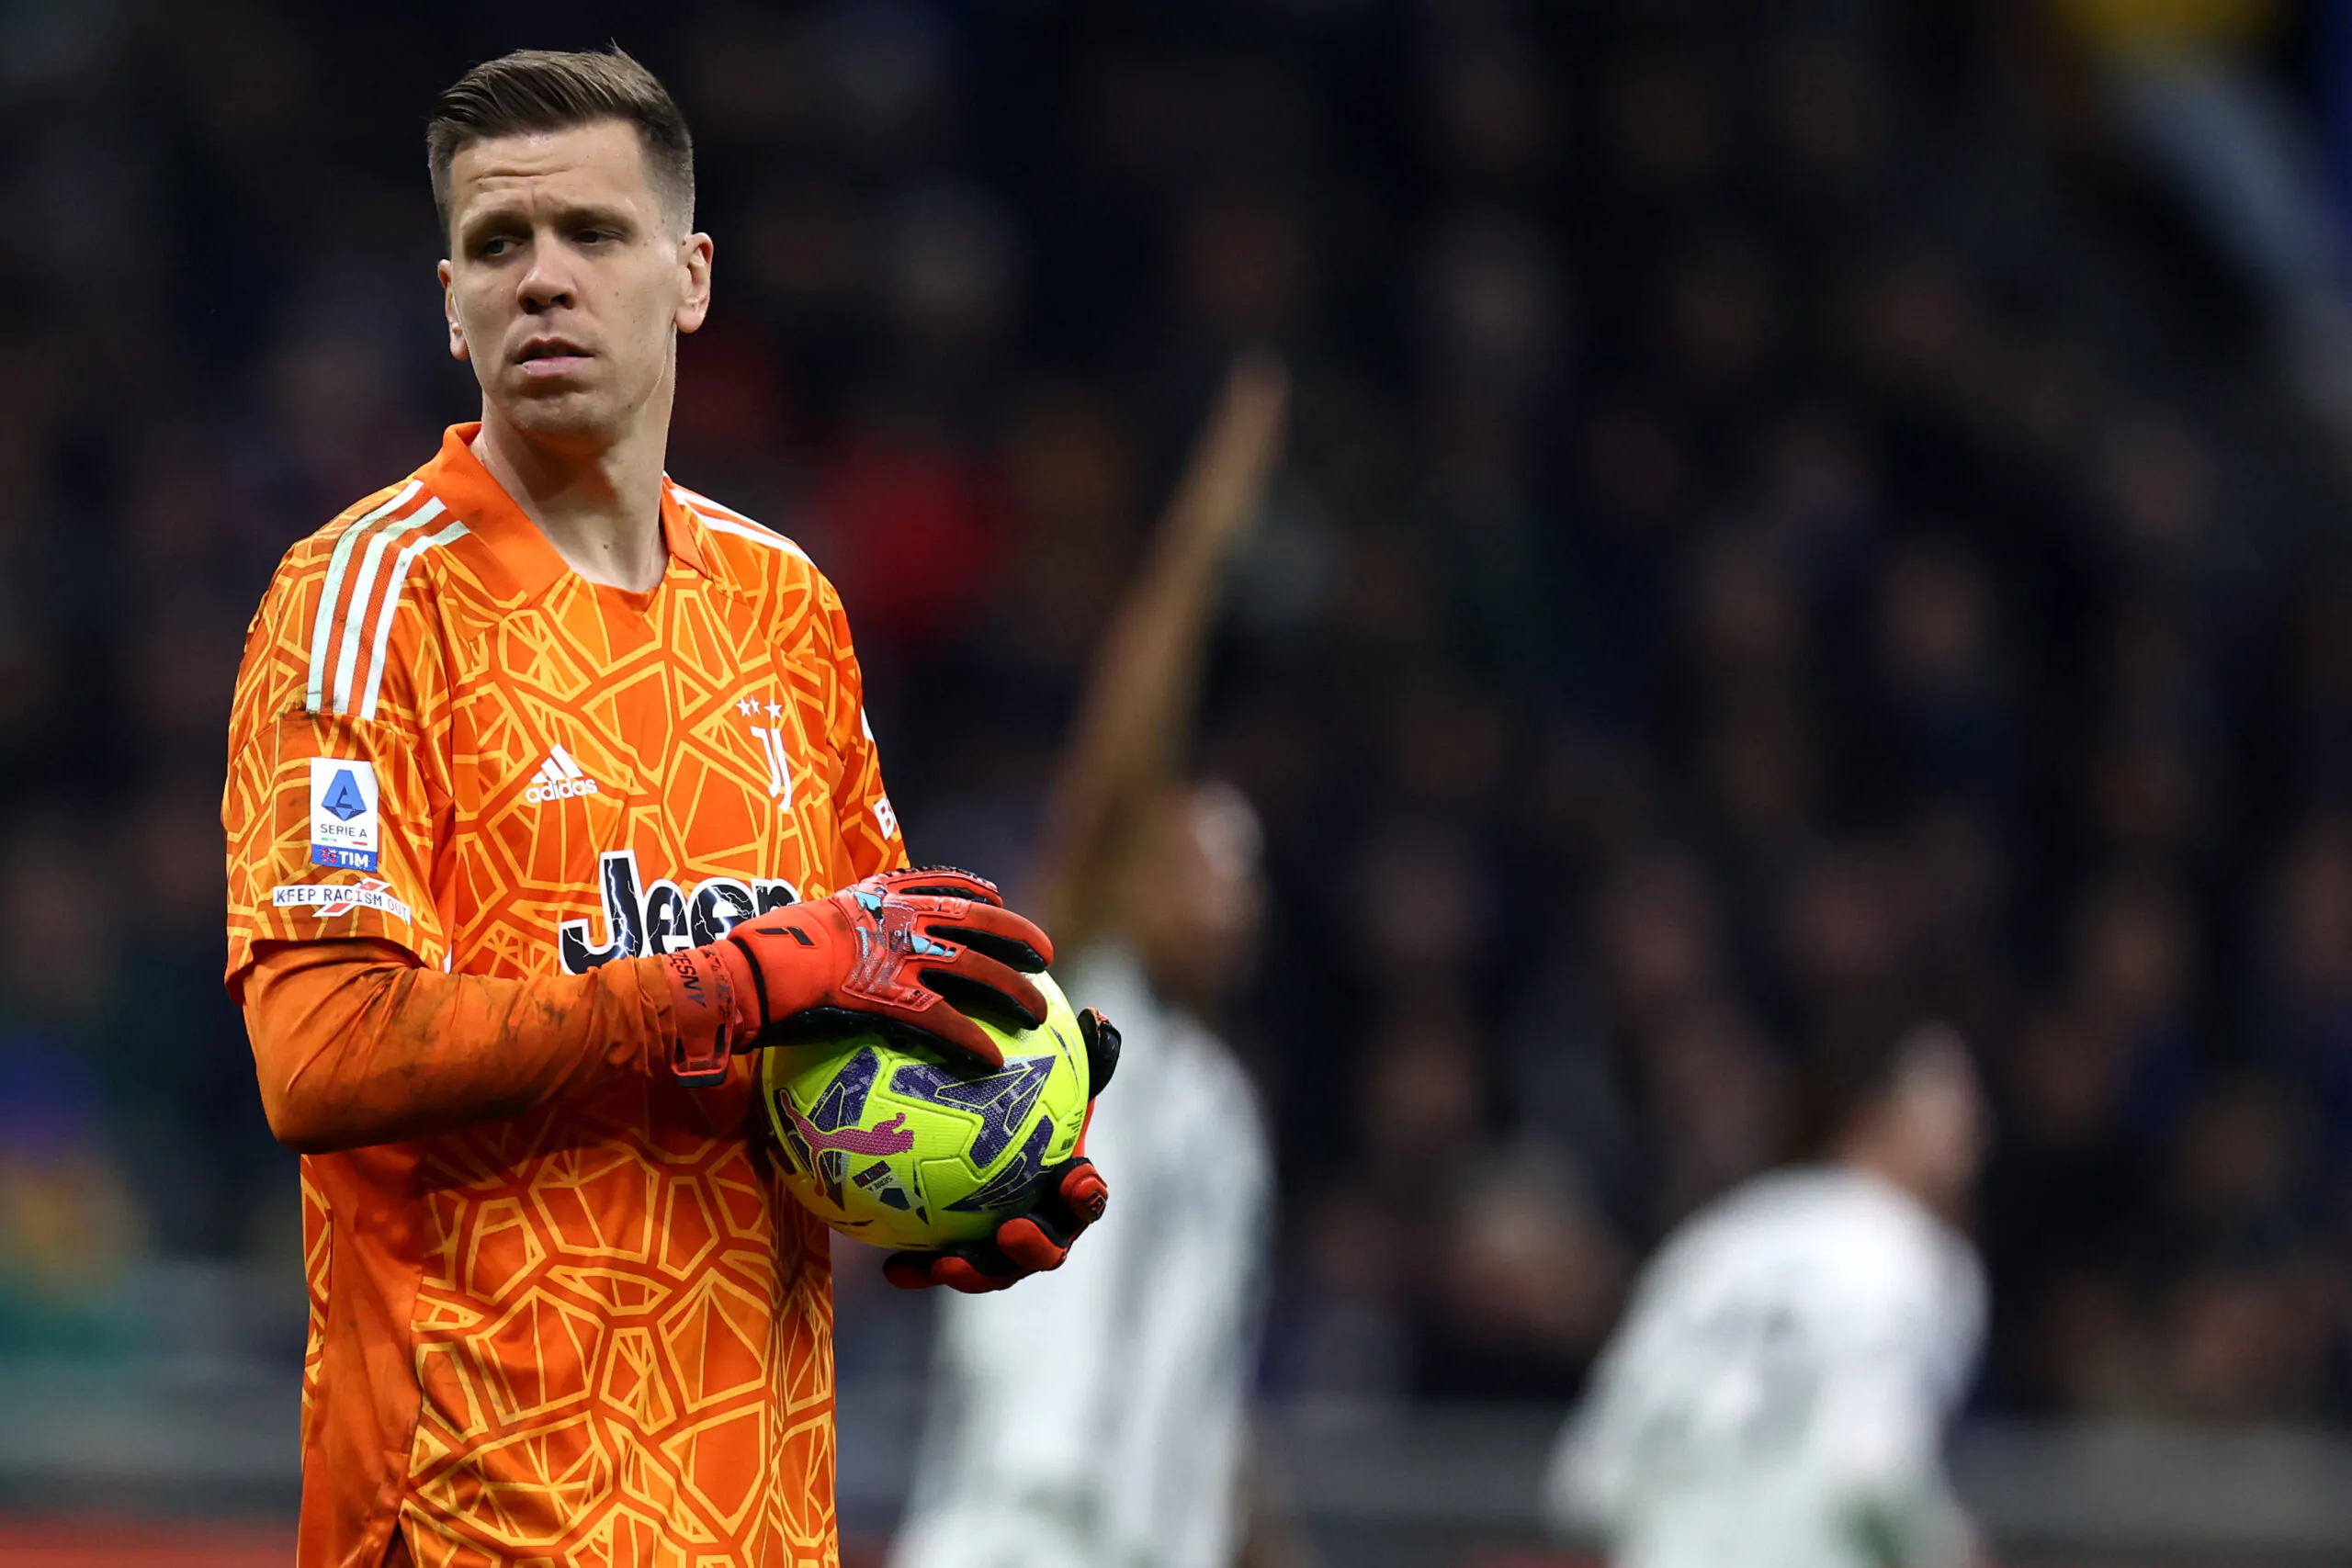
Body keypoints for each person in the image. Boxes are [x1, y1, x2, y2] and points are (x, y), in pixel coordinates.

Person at [220, 48, 1108, 1568]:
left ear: (691, 276)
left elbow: (845, 1044)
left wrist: (970, 1166)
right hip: (465, 1522)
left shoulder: (785, 610)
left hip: (755, 1522)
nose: (542, 280)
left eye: (592, 234)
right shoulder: (363, 599)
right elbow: (321, 1051)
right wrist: (734, 980)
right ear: (450, 303)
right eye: (499, 245)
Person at [891, 358, 1292, 1568]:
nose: (1215, 888)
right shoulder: (1072, 1015)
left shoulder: (1225, 1115)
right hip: (1022, 1524)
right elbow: (1116, 762)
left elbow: (1204, 1388)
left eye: (1238, 866)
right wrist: (1194, 554)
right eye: (1188, 857)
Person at [1544, 1023, 1990, 1568]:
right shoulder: (1910, 1254)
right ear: (1873, 1109)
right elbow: (1873, 1472)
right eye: (1949, 1100)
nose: (1975, 1129)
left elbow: (1586, 1479)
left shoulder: (1717, 1242)